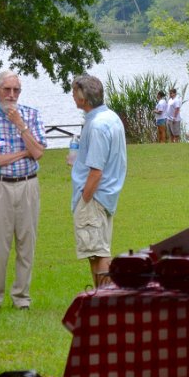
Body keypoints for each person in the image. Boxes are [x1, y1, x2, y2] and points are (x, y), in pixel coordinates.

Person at [0, 70, 46, 311]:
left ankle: (22, 297)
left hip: (28, 185)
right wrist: (23, 152)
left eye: (16, 90)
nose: (12, 94)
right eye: (7, 89)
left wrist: (21, 126)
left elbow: (38, 152)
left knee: (27, 243)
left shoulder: (32, 115)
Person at [70, 74, 127, 286]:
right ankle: (99, 297)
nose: (72, 96)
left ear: (83, 98)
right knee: (95, 252)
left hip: (94, 197)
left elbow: (96, 171)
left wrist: (85, 198)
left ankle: (106, 299)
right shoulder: (111, 117)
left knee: (99, 253)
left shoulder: (96, 126)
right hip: (105, 195)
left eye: (74, 92)